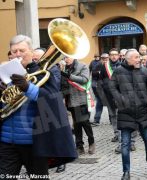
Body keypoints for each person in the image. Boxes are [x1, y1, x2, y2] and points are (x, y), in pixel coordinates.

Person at [0, 35, 77, 178]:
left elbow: (52, 101)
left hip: (34, 142)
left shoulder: (43, 74)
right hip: (7, 141)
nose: (18, 54)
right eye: (14, 51)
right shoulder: (3, 74)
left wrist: (28, 87)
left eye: (22, 50)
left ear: (30, 52)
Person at [109, 49, 147, 180]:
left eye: (139, 57)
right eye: (136, 57)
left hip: (142, 112)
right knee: (125, 144)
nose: (139, 59)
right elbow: (112, 87)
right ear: (128, 59)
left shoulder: (144, 70)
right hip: (125, 113)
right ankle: (126, 172)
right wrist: (120, 100)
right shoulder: (118, 71)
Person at [61, 56, 95, 155]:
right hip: (70, 100)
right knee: (76, 124)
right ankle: (79, 146)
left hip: (82, 99)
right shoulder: (63, 68)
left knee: (85, 122)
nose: (65, 60)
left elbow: (84, 79)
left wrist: (69, 76)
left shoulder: (82, 66)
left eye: (67, 57)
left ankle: (91, 142)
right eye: (64, 58)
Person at [89, 53, 103, 125]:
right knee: (99, 100)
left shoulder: (101, 63)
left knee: (100, 101)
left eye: (98, 57)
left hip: (101, 82)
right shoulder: (92, 62)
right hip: (95, 82)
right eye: (96, 57)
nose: (97, 58)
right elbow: (90, 70)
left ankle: (97, 119)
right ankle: (97, 119)